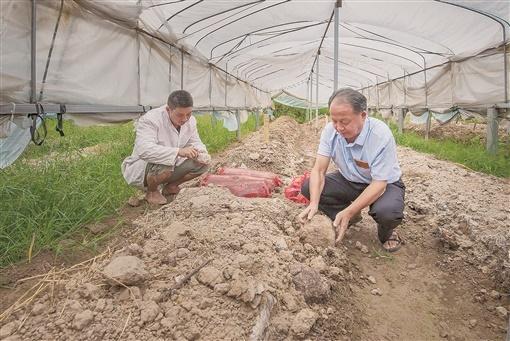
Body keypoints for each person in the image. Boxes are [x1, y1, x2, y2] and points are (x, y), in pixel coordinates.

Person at [298, 88, 405, 252]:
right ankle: (346, 215)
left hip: (383, 185)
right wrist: (314, 203)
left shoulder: (380, 135)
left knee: (387, 213)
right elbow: (319, 170)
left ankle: (386, 231)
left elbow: (379, 184)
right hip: (349, 181)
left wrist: (349, 210)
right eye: (334, 121)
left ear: (363, 115)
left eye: (344, 122)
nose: (338, 127)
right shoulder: (330, 131)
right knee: (308, 187)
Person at [121, 90, 210, 205]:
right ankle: (152, 191)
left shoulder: (190, 121)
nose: (185, 119)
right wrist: (178, 151)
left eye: (188, 114)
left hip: (170, 167)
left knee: (202, 164)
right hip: (145, 168)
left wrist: (202, 153)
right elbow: (144, 150)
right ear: (168, 109)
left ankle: (171, 187)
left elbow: (195, 141)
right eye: (180, 115)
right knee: (165, 161)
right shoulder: (150, 119)